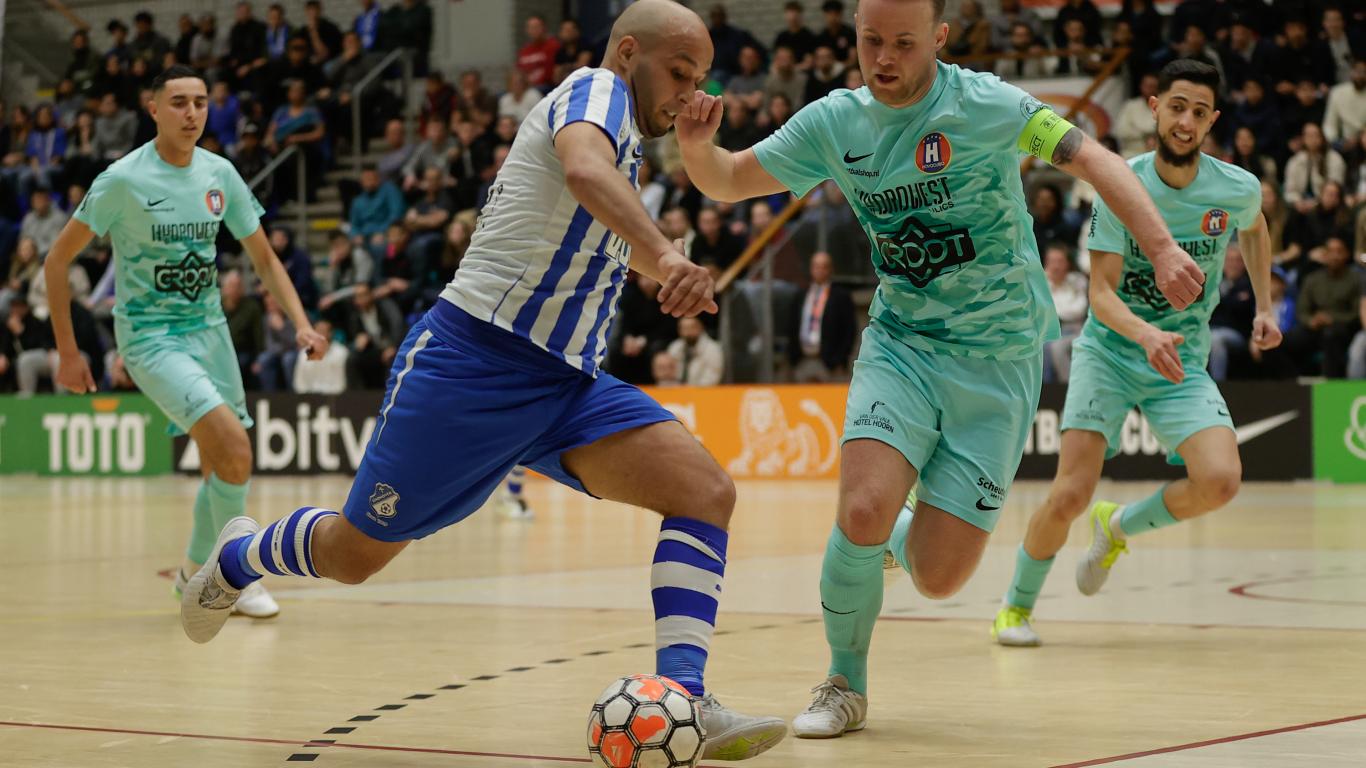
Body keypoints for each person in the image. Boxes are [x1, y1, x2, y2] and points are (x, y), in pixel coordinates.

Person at [177, 4, 786, 761]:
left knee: (705, 492)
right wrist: (666, 256)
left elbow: (594, 227)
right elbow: (584, 172)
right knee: (354, 555)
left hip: (565, 385)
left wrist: (659, 262)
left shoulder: (625, 140)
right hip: (472, 369)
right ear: (628, 52)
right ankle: (238, 557)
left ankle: (685, 699)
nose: (687, 94)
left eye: (700, 80)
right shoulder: (595, 94)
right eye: (679, 75)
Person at [674, 0, 1204, 738]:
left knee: (939, 574)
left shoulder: (985, 102)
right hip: (903, 345)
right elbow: (729, 179)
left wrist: (1161, 246)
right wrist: (698, 149)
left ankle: (885, 550)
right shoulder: (836, 122)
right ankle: (844, 682)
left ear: (940, 39)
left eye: (902, 43)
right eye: (870, 42)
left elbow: (1094, 157)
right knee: (860, 509)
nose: (884, 58)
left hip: (1000, 360)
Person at [993, 60, 1281, 647]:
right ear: (1154, 107)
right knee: (1071, 491)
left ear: (1212, 120)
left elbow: (1253, 228)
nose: (1186, 121)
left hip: (1181, 359)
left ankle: (1118, 526)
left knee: (1221, 479)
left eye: (1199, 112)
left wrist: (1265, 306)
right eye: (1177, 106)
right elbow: (1099, 295)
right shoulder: (1123, 184)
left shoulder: (1236, 187)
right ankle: (1015, 607)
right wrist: (1146, 334)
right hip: (1113, 351)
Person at [43, 65, 329, 620]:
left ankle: (198, 576)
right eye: (178, 102)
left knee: (222, 461)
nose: (191, 113)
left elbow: (264, 259)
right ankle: (227, 574)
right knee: (235, 449)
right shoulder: (122, 179)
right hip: (150, 337)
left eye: (200, 102)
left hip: (211, 332)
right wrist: (69, 352)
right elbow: (57, 262)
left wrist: (301, 321)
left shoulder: (220, 173)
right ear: (153, 109)